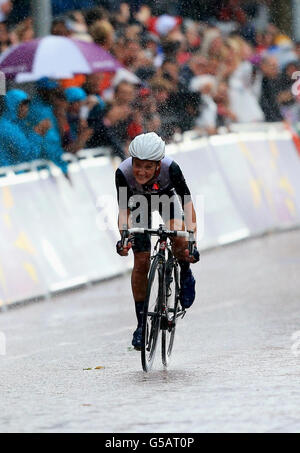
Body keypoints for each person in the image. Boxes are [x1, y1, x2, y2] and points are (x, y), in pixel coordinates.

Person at [115, 132, 199, 350]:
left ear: (158, 166)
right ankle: (141, 324)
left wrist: (192, 241)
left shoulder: (172, 169)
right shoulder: (123, 173)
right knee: (141, 261)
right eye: (137, 165)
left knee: (177, 235)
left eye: (148, 167)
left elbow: (187, 206)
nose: (141, 172)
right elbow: (124, 211)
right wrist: (124, 237)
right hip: (138, 202)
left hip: (166, 198)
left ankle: (185, 272)